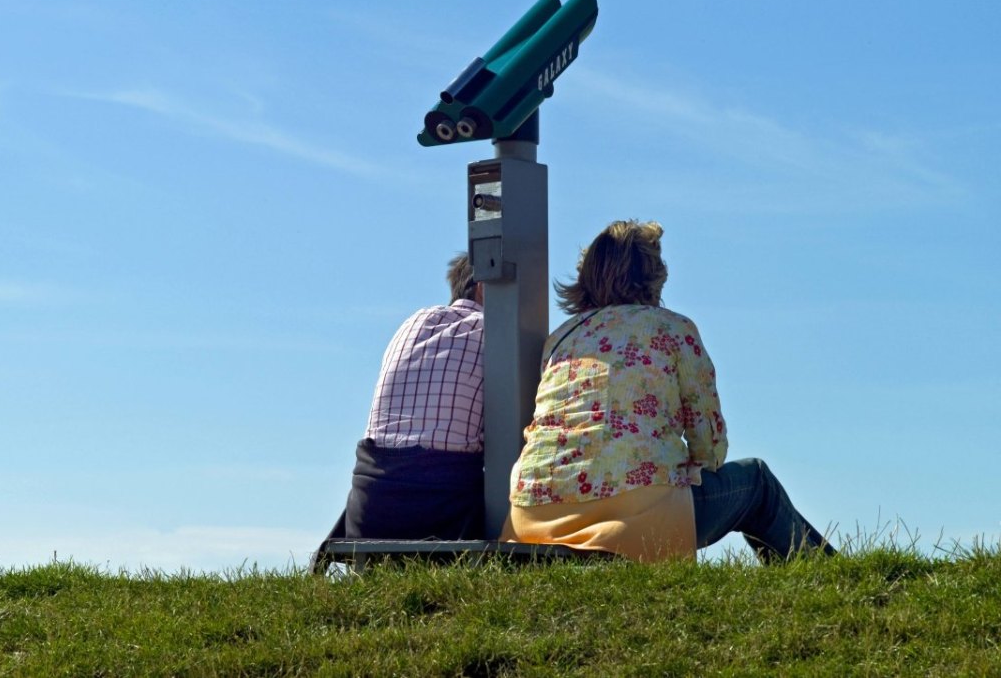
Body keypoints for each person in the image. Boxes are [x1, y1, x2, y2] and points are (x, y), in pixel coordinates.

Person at [503, 220, 836, 563]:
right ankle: (828, 578)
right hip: (632, 522)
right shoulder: (674, 329)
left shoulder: (560, 338)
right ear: (653, 274)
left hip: (533, 519)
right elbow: (709, 448)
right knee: (756, 483)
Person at [326, 252, 486, 541]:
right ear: (483, 287)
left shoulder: (413, 323)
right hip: (442, 515)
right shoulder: (489, 331)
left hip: (369, 514)